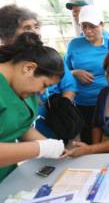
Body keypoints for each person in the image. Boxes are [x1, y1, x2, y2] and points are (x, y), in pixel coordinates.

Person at [0, 4, 77, 140]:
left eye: (36, 27)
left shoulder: (47, 58)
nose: (34, 33)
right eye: (27, 28)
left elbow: (22, 127)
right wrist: (39, 149)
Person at [0, 32, 65, 183]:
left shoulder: (21, 88)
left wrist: (52, 146)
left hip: (7, 177)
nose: (41, 93)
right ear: (29, 68)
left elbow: (20, 126)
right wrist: (41, 148)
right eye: (44, 85)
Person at [65, 5, 109, 144]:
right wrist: (75, 72)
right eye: (84, 27)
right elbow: (63, 71)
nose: (87, 31)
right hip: (83, 103)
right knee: (89, 141)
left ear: (102, 25)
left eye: (92, 26)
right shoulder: (74, 44)